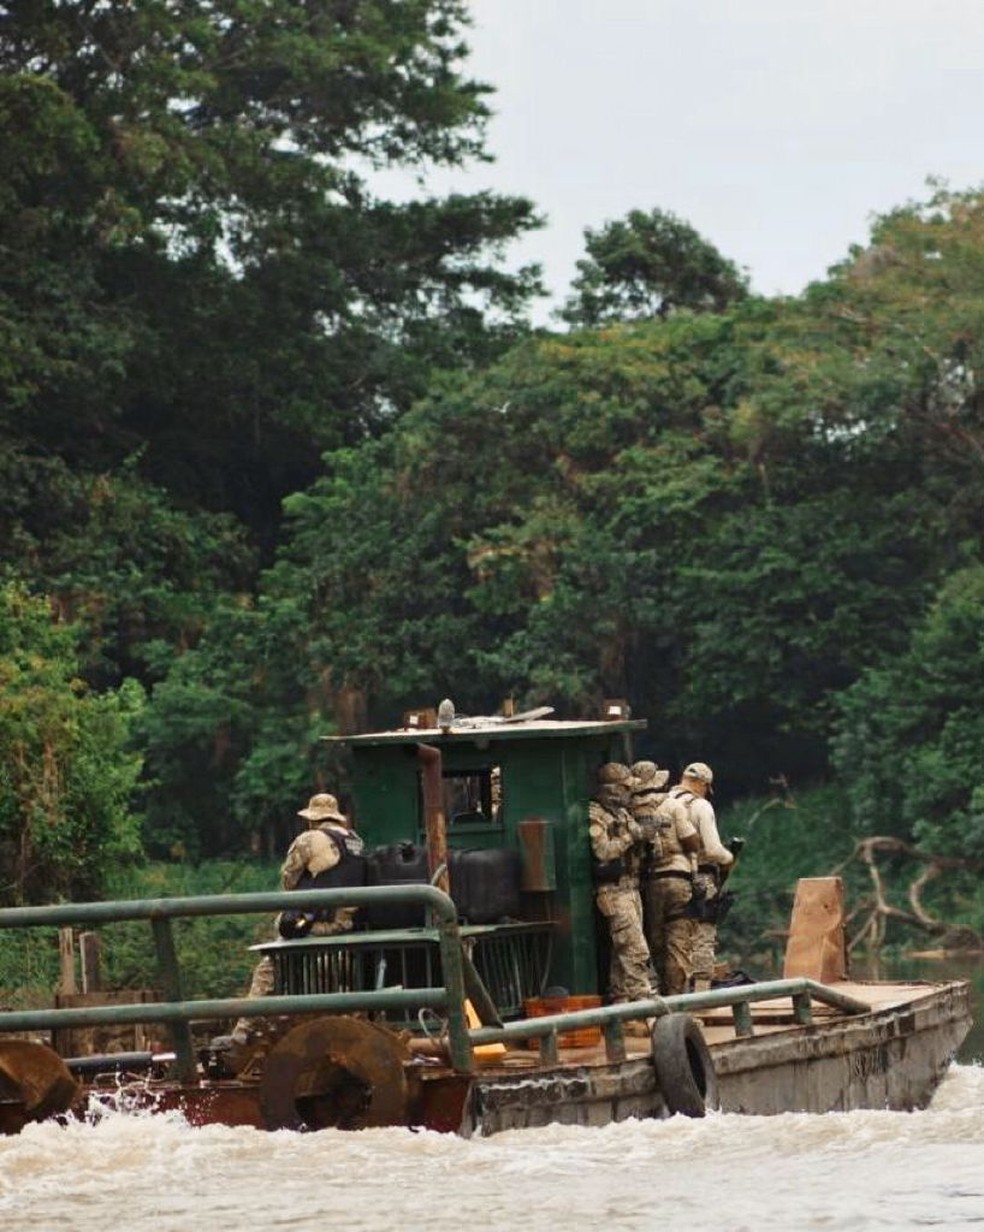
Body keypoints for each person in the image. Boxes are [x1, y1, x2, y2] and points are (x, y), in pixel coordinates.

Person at [228, 792, 366, 1051]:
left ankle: (242, 1033)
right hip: (348, 927)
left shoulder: (309, 839)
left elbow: (289, 880)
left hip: (316, 926)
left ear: (312, 819)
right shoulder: (356, 842)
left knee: (269, 967)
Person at [589, 762, 658, 1025]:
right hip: (613, 891)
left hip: (631, 887)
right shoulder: (596, 814)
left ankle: (623, 1010)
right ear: (612, 789)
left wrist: (647, 833)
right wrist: (631, 837)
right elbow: (603, 851)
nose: (629, 793)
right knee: (634, 949)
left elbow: (638, 834)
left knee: (621, 957)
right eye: (625, 788)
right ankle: (646, 1007)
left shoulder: (621, 813)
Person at [634, 761, 701, 996]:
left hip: (650, 882)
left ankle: (661, 990)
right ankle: (676, 996)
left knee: (656, 940)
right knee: (678, 939)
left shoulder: (631, 811)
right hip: (678, 877)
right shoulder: (672, 805)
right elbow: (691, 841)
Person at [667, 762, 733, 992]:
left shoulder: (663, 802)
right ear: (703, 784)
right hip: (699, 877)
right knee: (703, 935)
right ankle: (701, 994)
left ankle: (674, 994)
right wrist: (729, 857)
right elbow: (713, 850)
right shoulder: (701, 806)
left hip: (664, 880)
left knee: (673, 940)